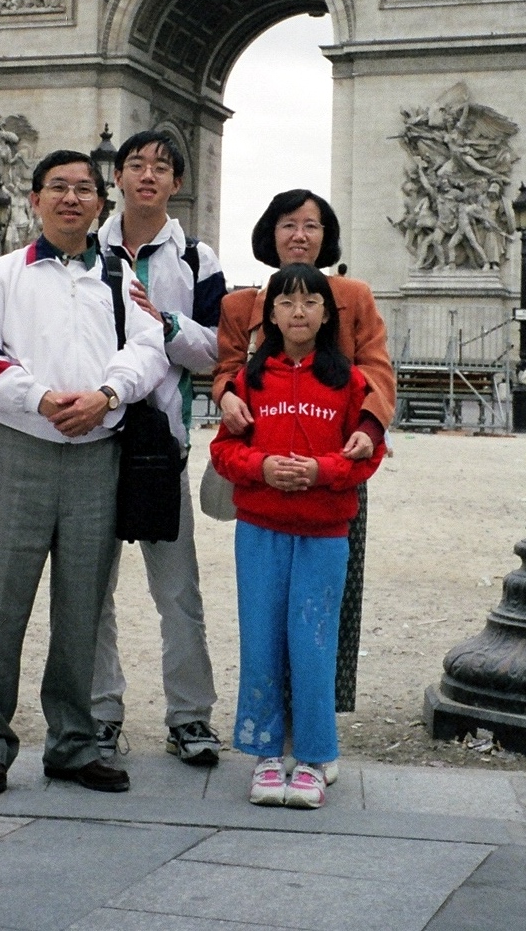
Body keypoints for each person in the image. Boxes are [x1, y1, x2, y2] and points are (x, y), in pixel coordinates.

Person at [0, 150, 168, 797]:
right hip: (20, 449)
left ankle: (74, 743)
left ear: (101, 202)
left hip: (98, 453)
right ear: (35, 199)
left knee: (83, 610)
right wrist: (41, 399)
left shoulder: (121, 275)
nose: (71, 198)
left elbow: (148, 347)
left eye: (84, 188)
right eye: (58, 187)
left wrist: (108, 394)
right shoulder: (0, 275)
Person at [212, 189, 395, 712]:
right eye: (288, 224)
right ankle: (273, 721)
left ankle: (316, 720)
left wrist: (369, 426)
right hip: (263, 472)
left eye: (311, 225)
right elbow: (227, 369)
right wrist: (227, 396)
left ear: (325, 236)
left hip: (335, 466)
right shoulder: (238, 305)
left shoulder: (355, 296)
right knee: (267, 608)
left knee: (327, 608)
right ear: (270, 234)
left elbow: (377, 369)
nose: (299, 235)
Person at [210, 264, 383, 808]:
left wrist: (322, 471)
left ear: (328, 314)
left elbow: (368, 453)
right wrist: (261, 467)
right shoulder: (249, 382)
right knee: (260, 640)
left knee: (314, 645)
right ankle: (265, 753)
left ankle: (312, 757)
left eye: (311, 301)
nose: (299, 311)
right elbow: (222, 450)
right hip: (260, 529)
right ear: (270, 316)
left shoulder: (350, 382)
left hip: (324, 533)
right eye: (286, 302)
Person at [90, 130, 227, 767]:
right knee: (90, 593)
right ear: (117, 175)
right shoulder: (80, 250)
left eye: (162, 167)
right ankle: (98, 713)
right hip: (91, 436)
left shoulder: (198, 258)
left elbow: (219, 351)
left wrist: (164, 322)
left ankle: (190, 715)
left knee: (178, 593)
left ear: (177, 182)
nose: (148, 175)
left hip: (161, 441)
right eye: (136, 164)